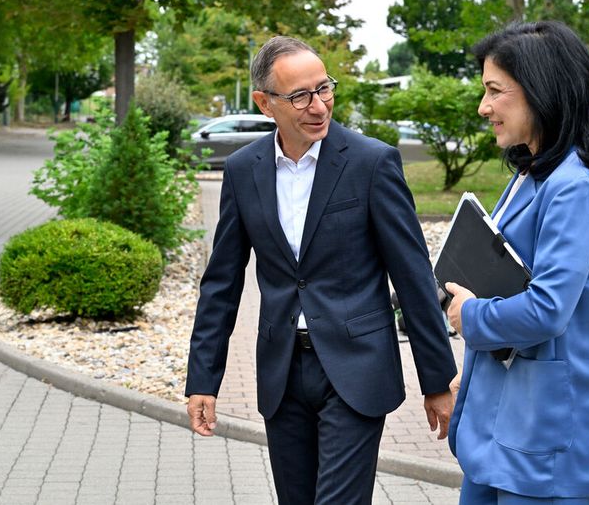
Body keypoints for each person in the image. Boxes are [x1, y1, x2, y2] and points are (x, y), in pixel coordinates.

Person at [185, 36, 457, 505]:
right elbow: (222, 284)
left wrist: (437, 381)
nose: (318, 106)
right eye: (300, 96)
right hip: (282, 373)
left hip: (356, 370)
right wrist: (203, 380)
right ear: (264, 103)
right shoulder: (243, 170)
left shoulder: (373, 163)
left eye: (324, 88)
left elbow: (412, 277)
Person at [445, 21, 589, 504]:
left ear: (541, 91)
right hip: (505, 424)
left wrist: (471, 316)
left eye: (494, 91)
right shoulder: (533, 170)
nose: (483, 107)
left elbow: (547, 309)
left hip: (544, 443)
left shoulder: (575, 186)